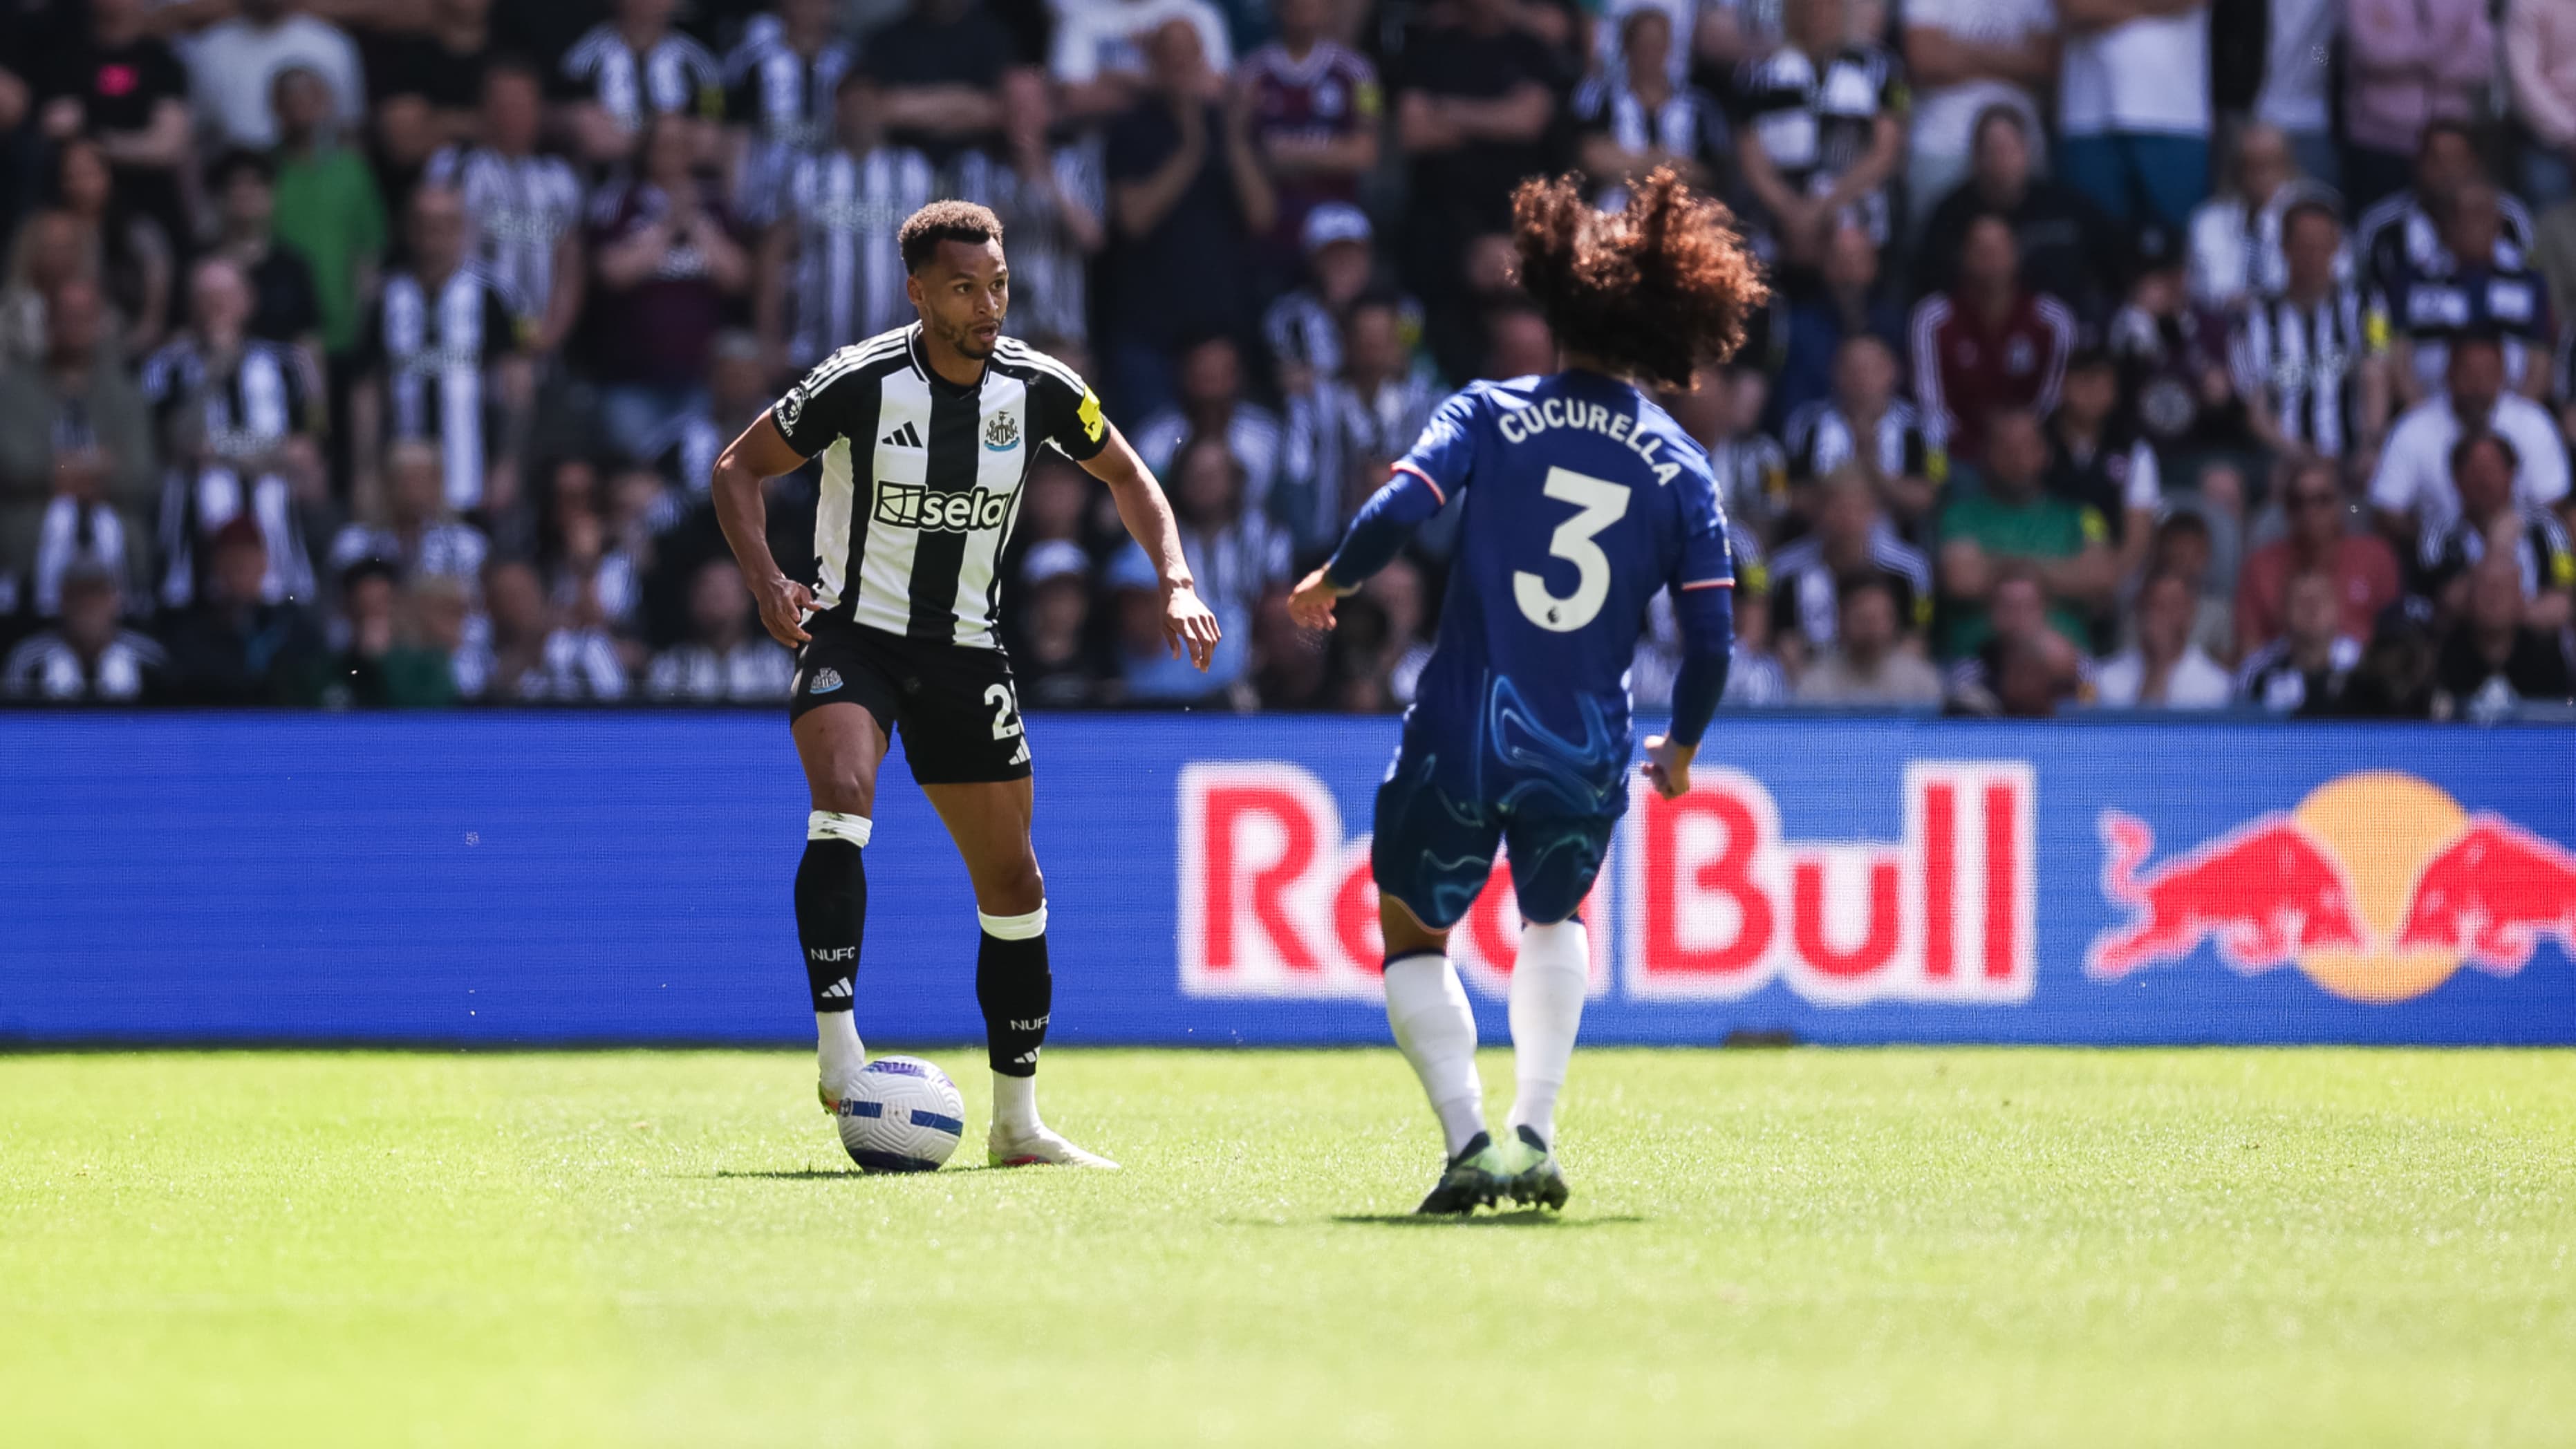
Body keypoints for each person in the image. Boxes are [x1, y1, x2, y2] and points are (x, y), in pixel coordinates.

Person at [1285, 169, 1763, 1215]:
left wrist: (1336, 578)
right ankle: (1534, 1131)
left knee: (1414, 932)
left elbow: (1398, 505)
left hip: (1461, 723)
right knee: (1557, 918)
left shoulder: (1489, 411)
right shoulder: (1681, 463)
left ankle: (1466, 1142)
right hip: (1585, 739)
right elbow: (1713, 640)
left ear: (1552, 302)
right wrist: (1681, 749)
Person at [707, 200, 1222, 1170]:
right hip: (854, 634)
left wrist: (1177, 578)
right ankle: (837, 1048)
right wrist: (769, 580)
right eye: (963, 288)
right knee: (843, 800)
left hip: (965, 652)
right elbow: (738, 468)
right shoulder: (858, 383)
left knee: (1016, 884)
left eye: (998, 287)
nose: (987, 306)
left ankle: (1016, 1124)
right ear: (917, 293)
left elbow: (1132, 476)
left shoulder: (1036, 388)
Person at [142, 255, 326, 610]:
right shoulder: (166, 367)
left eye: (226, 294)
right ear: (190, 305)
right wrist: (215, 367)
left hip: (277, 540)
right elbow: (179, 442)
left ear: (248, 300)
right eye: (206, 297)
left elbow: (306, 449)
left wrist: (219, 449)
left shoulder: (290, 365)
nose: (217, 306)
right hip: (193, 547)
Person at [422, 59, 587, 355]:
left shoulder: (559, 178)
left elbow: (569, 266)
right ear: (483, 108)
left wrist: (551, 334)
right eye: (502, 103)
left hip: (539, 342)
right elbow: (430, 247)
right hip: (465, 339)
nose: (512, 115)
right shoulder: (453, 167)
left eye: (522, 104)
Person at [1729, 0, 1907, 263]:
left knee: (1851, 248)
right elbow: (1750, 156)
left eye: (1827, 5)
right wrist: (1792, 211)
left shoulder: (1882, 67)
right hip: (1778, 220)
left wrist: (1822, 208)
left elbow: (1886, 151)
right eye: (1807, 5)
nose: (1817, 13)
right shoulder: (1756, 73)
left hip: (1858, 218)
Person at [1934, 407, 2113, 656]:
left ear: (2045, 454)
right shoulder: (1959, 515)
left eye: (2026, 446)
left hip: (2065, 665)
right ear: (1986, 454)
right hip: (1979, 665)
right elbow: (1962, 581)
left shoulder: (2085, 516)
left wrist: (1999, 569)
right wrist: (2060, 573)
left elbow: (2100, 578)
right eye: (2005, 446)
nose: (2016, 456)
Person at [1915, 106, 2115, 316]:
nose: (2003, 159)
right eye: (1994, 149)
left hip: (2061, 333)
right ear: (1977, 157)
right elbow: (1930, 292)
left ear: (2027, 151)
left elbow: (2112, 263)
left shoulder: (2066, 207)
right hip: (1975, 335)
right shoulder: (1951, 215)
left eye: (2010, 148)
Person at [1910, 212, 2075, 465]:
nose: (1991, 258)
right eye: (1980, 249)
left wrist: (2015, 443)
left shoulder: (2052, 320)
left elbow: (2053, 400)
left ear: (2016, 254)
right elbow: (1931, 404)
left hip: (2029, 456)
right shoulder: (1932, 318)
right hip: (1956, 455)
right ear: (1962, 256)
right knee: (1935, 468)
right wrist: (1979, 449)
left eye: (1999, 248)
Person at [2369, 334, 2570, 539]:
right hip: (2438, 559)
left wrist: (2516, 528)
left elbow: (2556, 502)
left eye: (2487, 374)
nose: (2477, 386)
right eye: (2468, 374)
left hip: (2521, 546)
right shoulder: (2413, 427)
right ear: (2449, 374)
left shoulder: (2533, 423)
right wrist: (2438, 539)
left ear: (2502, 374)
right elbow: (2386, 508)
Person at [2234, 199, 2381, 473]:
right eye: (2303, 245)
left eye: (2322, 245)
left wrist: (2370, 446)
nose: (2312, 255)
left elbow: (2379, 373)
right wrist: (2302, 456)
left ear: (2337, 246)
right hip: (2284, 460)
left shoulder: (2370, 305)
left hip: (2355, 458)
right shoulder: (2251, 320)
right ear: (2284, 248)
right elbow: (2257, 414)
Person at [2378, 183, 2555, 409]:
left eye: (2479, 213)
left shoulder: (2530, 281)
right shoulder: (2409, 280)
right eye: (2458, 215)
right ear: (2442, 225)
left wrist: (2515, 415)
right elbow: (2392, 353)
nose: (2469, 223)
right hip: (2429, 411)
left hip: (2512, 412)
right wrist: (2420, 409)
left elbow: (2541, 360)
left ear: (2497, 221)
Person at [2054, 0, 2210, 234]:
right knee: (2094, 250)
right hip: (2088, 119)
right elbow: (2075, 8)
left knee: (2176, 255)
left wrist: (2104, 10)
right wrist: (2155, 9)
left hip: (2176, 117)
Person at [1899, 0, 2054, 227]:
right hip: (1941, 146)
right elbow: (1924, 59)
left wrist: (1957, 52)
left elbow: (2046, 64)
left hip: (2021, 146)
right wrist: (2015, 60)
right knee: (1938, 252)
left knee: (2032, 252)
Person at [2409, 431, 2576, 632]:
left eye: (2492, 469)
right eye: (2474, 471)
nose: (2484, 480)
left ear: (2511, 473)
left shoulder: (2550, 528)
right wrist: (2495, 548)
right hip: (2462, 648)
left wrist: (2503, 612)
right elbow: (2449, 600)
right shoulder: (2437, 535)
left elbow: (2565, 594)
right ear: (2456, 479)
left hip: (2538, 647)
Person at [2237, 457, 2401, 657]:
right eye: (2298, 502)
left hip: (2362, 676)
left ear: (2340, 503)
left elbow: (2395, 637)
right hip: (2284, 676)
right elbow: (2249, 646)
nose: (2310, 511)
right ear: (2287, 510)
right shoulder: (2260, 567)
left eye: (2322, 499)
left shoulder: (2376, 557)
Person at [2340, 0, 2492, 212]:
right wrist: (2440, 51)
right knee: (2381, 220)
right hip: (2381, 138)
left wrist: (2411, 58)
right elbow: (2369, 52)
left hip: (2450, 140)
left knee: (2450, 226)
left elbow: (2482, 62)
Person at [1784, 334, 1944, 529]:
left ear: (1892, 371)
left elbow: (1929, 496)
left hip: (1897, 540)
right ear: (1835, 373)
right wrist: (1840, 491)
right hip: (1818, 538)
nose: (1860, 378)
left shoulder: (1923, 426)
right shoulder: (1804, 422)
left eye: (1870, 369)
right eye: (1852, 369)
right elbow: (1785, 496)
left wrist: (1872, 470)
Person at [2186, 122, 2337, 312]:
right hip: (2224, 325)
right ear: (2236, 169)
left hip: (2294, 325)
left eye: (2270, 164)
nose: (2261, 176)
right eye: (2251, 165)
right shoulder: (2207, 222)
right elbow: (2196, 288)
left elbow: (2337, 276)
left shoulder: (2314, 216)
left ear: (2288, 165)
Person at [188, 0, 368, 153]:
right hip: (239, 180)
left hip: (318, 174)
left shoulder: (331, 43)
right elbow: (199, 134)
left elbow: (350, 128)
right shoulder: (209, 49)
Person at [2432, 553, 2576, 716]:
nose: (2493, 598)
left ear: (2520, 598)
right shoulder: (2446, 658)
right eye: (2485, 587)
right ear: (2469, 597)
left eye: (2502, 588)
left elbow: (2562, 716)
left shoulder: (2547, 658)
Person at [1, 562, 165, 702]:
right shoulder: (27, 660)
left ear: (115, 600)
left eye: (97, 594)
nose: (88, 605)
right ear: (62, 601)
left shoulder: (150, 659)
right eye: (78, 595)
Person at [647, 557, 796, 702]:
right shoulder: (671, 666)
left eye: (724, 588)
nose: (712, 596)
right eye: (705, 587)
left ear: (747, 600)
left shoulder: (776, 663)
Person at [1795, 571, 1945, 705]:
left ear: (1894, 619)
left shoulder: (1921, 681)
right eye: (1862, 618)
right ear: (1841, 620)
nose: (1871, 628)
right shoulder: (1815, 684)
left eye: (1878, 618)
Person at [2094, 568, 2230, 707]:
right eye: (2155, 605)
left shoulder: (2216, 685)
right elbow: (2142, 728)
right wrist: (2157, 667)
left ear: (2189, 613)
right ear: (2140, 612)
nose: (2163, 617)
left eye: (2173, 606)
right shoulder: (2104, 680)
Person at [2233, 567, 2362, 711]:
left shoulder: (2361, 665)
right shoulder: (2256, 671)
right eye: (2302, 601)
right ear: (2283, 611)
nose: (2313, 609)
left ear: (2338, 608)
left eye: (2321, 599)